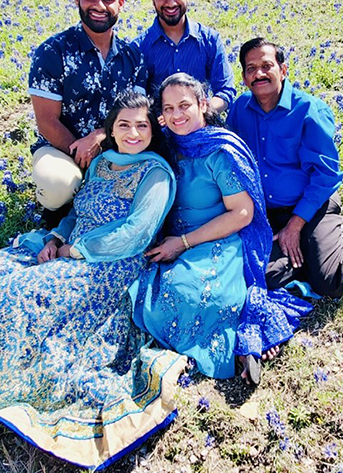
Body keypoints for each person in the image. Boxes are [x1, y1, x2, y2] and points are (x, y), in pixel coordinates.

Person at [0, 92, 184, 471]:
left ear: (151, 131)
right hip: (73, 249)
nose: (132, 133)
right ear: (110, 129)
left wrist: (76, 252)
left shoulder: (156, 172)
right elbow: (77, 213)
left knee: (20, 298)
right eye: (123, 124)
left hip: (111, 266)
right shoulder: (103, 162)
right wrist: (56, 239)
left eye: (142, 125)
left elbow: (137, 233)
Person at [131, 73, 312, 384]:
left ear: (203, 104)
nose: (177, 115)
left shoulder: (219, 150)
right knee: (149, 292)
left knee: (191, 293)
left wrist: (183, 243)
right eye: (169, 108)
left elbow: (241, 213)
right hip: (172, 236)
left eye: (185, 105)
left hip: (219, 236)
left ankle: (239, 345)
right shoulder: (163, 143)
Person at [227, 37, 343, 299]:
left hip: (312, 204)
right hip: (268, 210)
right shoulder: (239, 110)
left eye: (266, 65)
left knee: (333, 282)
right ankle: (312, 255)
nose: (259, 74)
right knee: (260, 274)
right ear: (243, 77)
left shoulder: (309, 110)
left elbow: (326, 175)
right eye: (251, 69)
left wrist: (295, 225)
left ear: (283, 69)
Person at [28, 0, 148, 227]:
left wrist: (100, 136)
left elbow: (138, 114)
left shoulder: (134, 57)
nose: (99, 6)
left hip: (118, 148)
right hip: (61, 147)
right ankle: (59, 208)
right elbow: (47, 122)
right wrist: (81, 156)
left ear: (120, 3)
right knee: (59, 184)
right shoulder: (53, 51)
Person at [134, 0, 235, 114]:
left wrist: (199, 112)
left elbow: (225, 91)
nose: (171, 3)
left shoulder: (209, 40)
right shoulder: (139, 47)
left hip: (201, 125)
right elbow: (135, 100)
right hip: (159, 131)